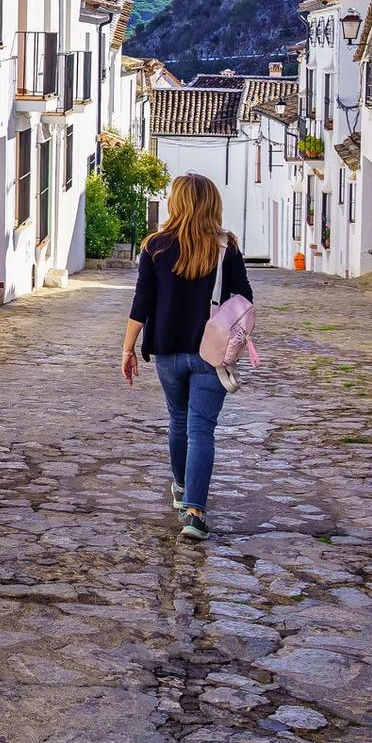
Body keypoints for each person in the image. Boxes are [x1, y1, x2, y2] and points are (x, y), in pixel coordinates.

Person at [120, 173, 253, 542]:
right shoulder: (227, 248)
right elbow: (244, 300)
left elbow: (142, 303)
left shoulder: (155, 247)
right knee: (201, 430)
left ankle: (181, 488)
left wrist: (128, 348)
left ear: (175, 203)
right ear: (213, 203)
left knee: (179, 422)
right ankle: (194, 512)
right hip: (213, 355)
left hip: (167, 353)